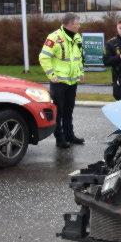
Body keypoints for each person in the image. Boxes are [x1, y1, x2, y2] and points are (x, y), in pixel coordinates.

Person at [39, 13, 85, 149]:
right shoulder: (54, 37)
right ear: (70, 24)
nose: (79, 26)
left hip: (72, 81)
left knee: (69, 110)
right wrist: (51, 74)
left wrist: (81, 72)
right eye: (78, 23)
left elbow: (79, 58)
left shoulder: (77, 37)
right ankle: (60, 138)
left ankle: (70, 136)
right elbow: (43, 57)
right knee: (58, 111)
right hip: (59, 82)